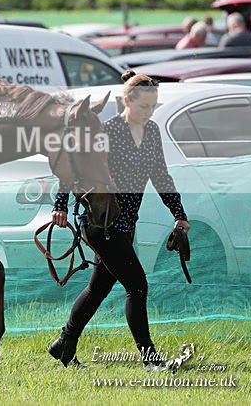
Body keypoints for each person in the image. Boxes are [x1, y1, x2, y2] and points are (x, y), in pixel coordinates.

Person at [47, 69, 190, 370]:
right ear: (126, 101)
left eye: (153, 107)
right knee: (137, 286)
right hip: (101, 223)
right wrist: (60, 205)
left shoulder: (151, 133)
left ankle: (64, 344)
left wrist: (179, 214)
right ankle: (150, 360)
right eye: (143, 107)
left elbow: (161, 175)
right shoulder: (107, 131)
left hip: (127, 223)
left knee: (99, 288)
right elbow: (77, 167)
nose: (148, 113)